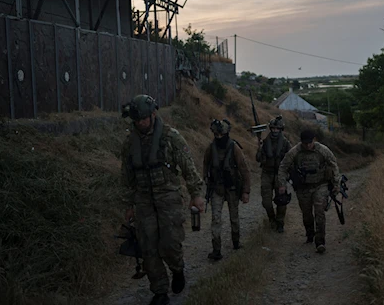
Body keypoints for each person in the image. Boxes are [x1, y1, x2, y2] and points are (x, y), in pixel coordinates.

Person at [121, 94, 205, 305]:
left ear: (153, 114)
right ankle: (160, 291)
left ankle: (177, 268)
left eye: (144, 119)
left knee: (169, 242)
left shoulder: (171, 137)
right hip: (143, 198)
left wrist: (196, 195)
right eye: (137, 120)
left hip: (168, 195)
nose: (141, 123)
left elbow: (188, 167)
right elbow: (126, 176)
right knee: (148, 246)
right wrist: (128, 205)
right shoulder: (130, 142)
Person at [277, 129, 341, 254]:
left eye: (310, 142)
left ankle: (320, 241)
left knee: (319, 212)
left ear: (314, 140)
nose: (307, 145)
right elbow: (283, 167)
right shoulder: (294, 152)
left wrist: (336, 184)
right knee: (306, 214)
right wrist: (281, 184)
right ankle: (310, 234)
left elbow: (334, 165)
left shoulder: (323, 150)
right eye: (305, 143)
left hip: (320, 185)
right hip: (303, 188)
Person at [203, 119, 251, 261]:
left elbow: (244, 170)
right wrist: (205, 178)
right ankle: (216, 249)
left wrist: (246, 191)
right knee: (216, 219)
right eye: (216, 135)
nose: (218, 137)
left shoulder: (234, 148)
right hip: (216, 188)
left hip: (232, 188)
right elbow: (206, 164)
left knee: (234, 217)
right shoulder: (211, 148)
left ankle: (236, 242)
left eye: (220, 135)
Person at [256, 115, 292, 233]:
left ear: (281, 130)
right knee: (266, 201)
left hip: (280, 174)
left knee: (281, 200)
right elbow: (258, 159)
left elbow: (291, 158)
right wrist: (259, 147)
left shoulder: (286, 143)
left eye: (277, 129)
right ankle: (272, 219)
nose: (275, 131)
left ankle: (280, 222)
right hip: (267, 173)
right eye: (273, 129)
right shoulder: (265, 142)